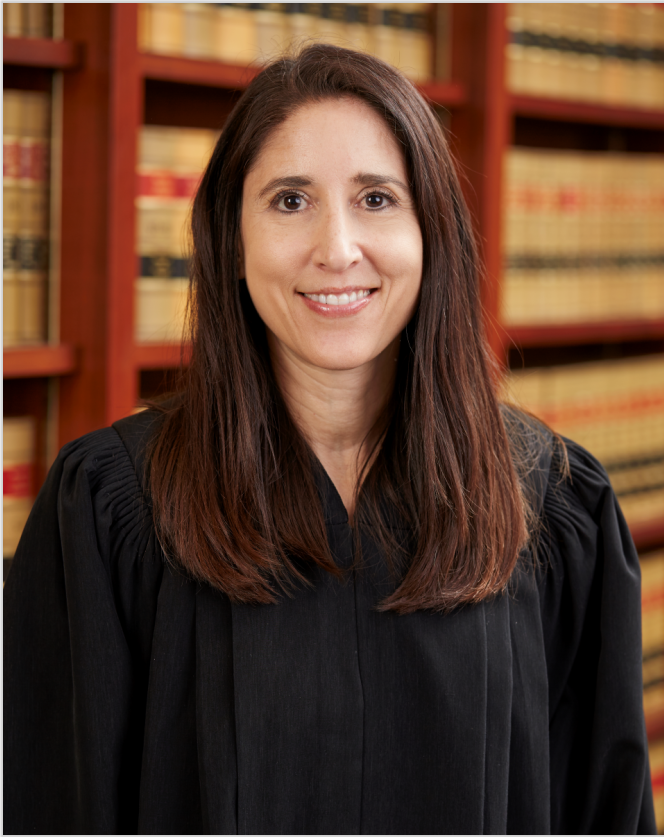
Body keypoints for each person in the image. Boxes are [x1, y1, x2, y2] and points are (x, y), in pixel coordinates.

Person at [4, 44, 655, 835]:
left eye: (377, 198)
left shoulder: (552, 507)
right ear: (230, 240)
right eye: (289, 201)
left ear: (432, 234)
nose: (337, 248)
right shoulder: (110, 512)